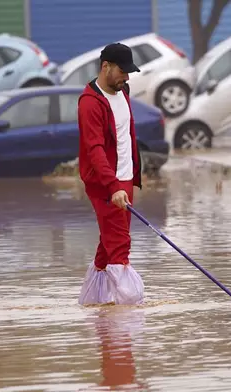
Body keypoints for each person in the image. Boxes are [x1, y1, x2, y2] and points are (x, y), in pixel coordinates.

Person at [76, 42, 144, 306]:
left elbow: (126, 136)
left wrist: (130, 178)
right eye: (122, 71)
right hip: (107, 184)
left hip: (124, 180)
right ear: (106, 67)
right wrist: (113, 186)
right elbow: (94, 150)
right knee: (119, 246)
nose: (126, 77)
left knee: (108, 245)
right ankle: (127, 321)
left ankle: (96, 305)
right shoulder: (90, 104)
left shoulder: (123, 90)